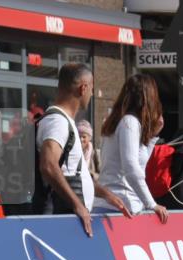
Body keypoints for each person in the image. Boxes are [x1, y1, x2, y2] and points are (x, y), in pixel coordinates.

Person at [36, 63, 131, 236]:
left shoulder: (65, 121)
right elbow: (48, 165)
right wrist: (77, 205)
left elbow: (71, 172)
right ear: (83, 88)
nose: (92, 94)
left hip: (70, 218)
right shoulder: (58, 122)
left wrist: (105, 194)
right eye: (92, 89)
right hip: (65, 220)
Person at [92, 74, 167, 223]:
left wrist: (152, 137)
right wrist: (152, 204)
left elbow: (138, 164)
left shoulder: (118, 122)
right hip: (121, 206)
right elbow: (131, 167)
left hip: (115, 205)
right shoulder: (130, 123)